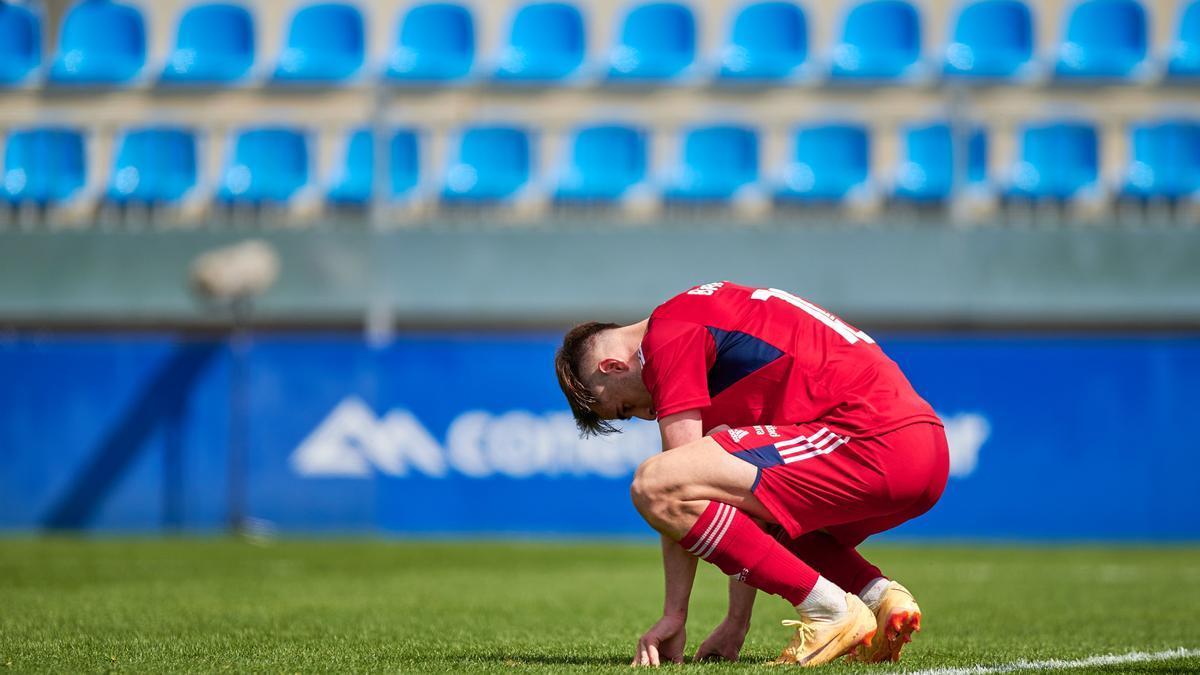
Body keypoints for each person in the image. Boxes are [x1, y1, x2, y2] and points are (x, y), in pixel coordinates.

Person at [554, 281, 948, 667]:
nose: (646, 414)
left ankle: (830, 610)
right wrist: (736, 624)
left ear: (612, 366)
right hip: (922, 451)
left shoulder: (669, 333)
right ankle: (878, 597)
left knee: (653, 484)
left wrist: (675, 614)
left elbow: (674, 482)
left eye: (625, 407)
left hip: (874, 440)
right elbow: (739, 504)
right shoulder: (718, 320)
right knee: (746, 498)